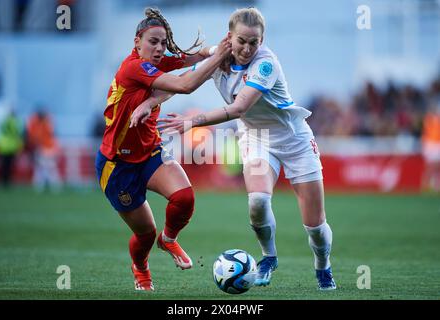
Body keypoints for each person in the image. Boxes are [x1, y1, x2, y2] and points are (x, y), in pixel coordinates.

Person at [137, 7, 336, 290]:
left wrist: (193, 121)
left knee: (315, 227)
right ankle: (268, 258)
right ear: (230, 37)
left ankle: (322, 266)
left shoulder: (266, 65)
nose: (247, 48)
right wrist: (149, 102)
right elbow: (182, 83)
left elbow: (240, 107)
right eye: (242, 40)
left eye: (254, 42)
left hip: (295, 142)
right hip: (256, 138)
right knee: (257, 201)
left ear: (262, 41)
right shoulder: (219, 57)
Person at [95, 8, 231, 291]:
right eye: (152, 42)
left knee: (184, 197)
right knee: (145, 234)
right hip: (117, 165)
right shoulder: (133, 67)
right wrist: (220, 57)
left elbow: (190, 60)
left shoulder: (153, 63)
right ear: (137, 42)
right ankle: (141, 267)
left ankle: (168, 240)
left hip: (150, 153)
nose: (159, 49)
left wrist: (216, 49)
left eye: (163, 43)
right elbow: (185, 84)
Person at [26, 109, 62, 192]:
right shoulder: (45, 123)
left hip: (47, 149)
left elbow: (38, 136)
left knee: (46, 168)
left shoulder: (45, 123)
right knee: (43, 168)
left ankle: (52, 187)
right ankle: (44, 187)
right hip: (44, 148)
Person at [0, 110, 24, 187]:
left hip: (2, 145)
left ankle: (2, 181)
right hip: (11, 146)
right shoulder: (15, 122)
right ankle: (6, 181)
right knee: (9, 165)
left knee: (3, 165)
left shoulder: (4, 121)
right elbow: (18, 133)